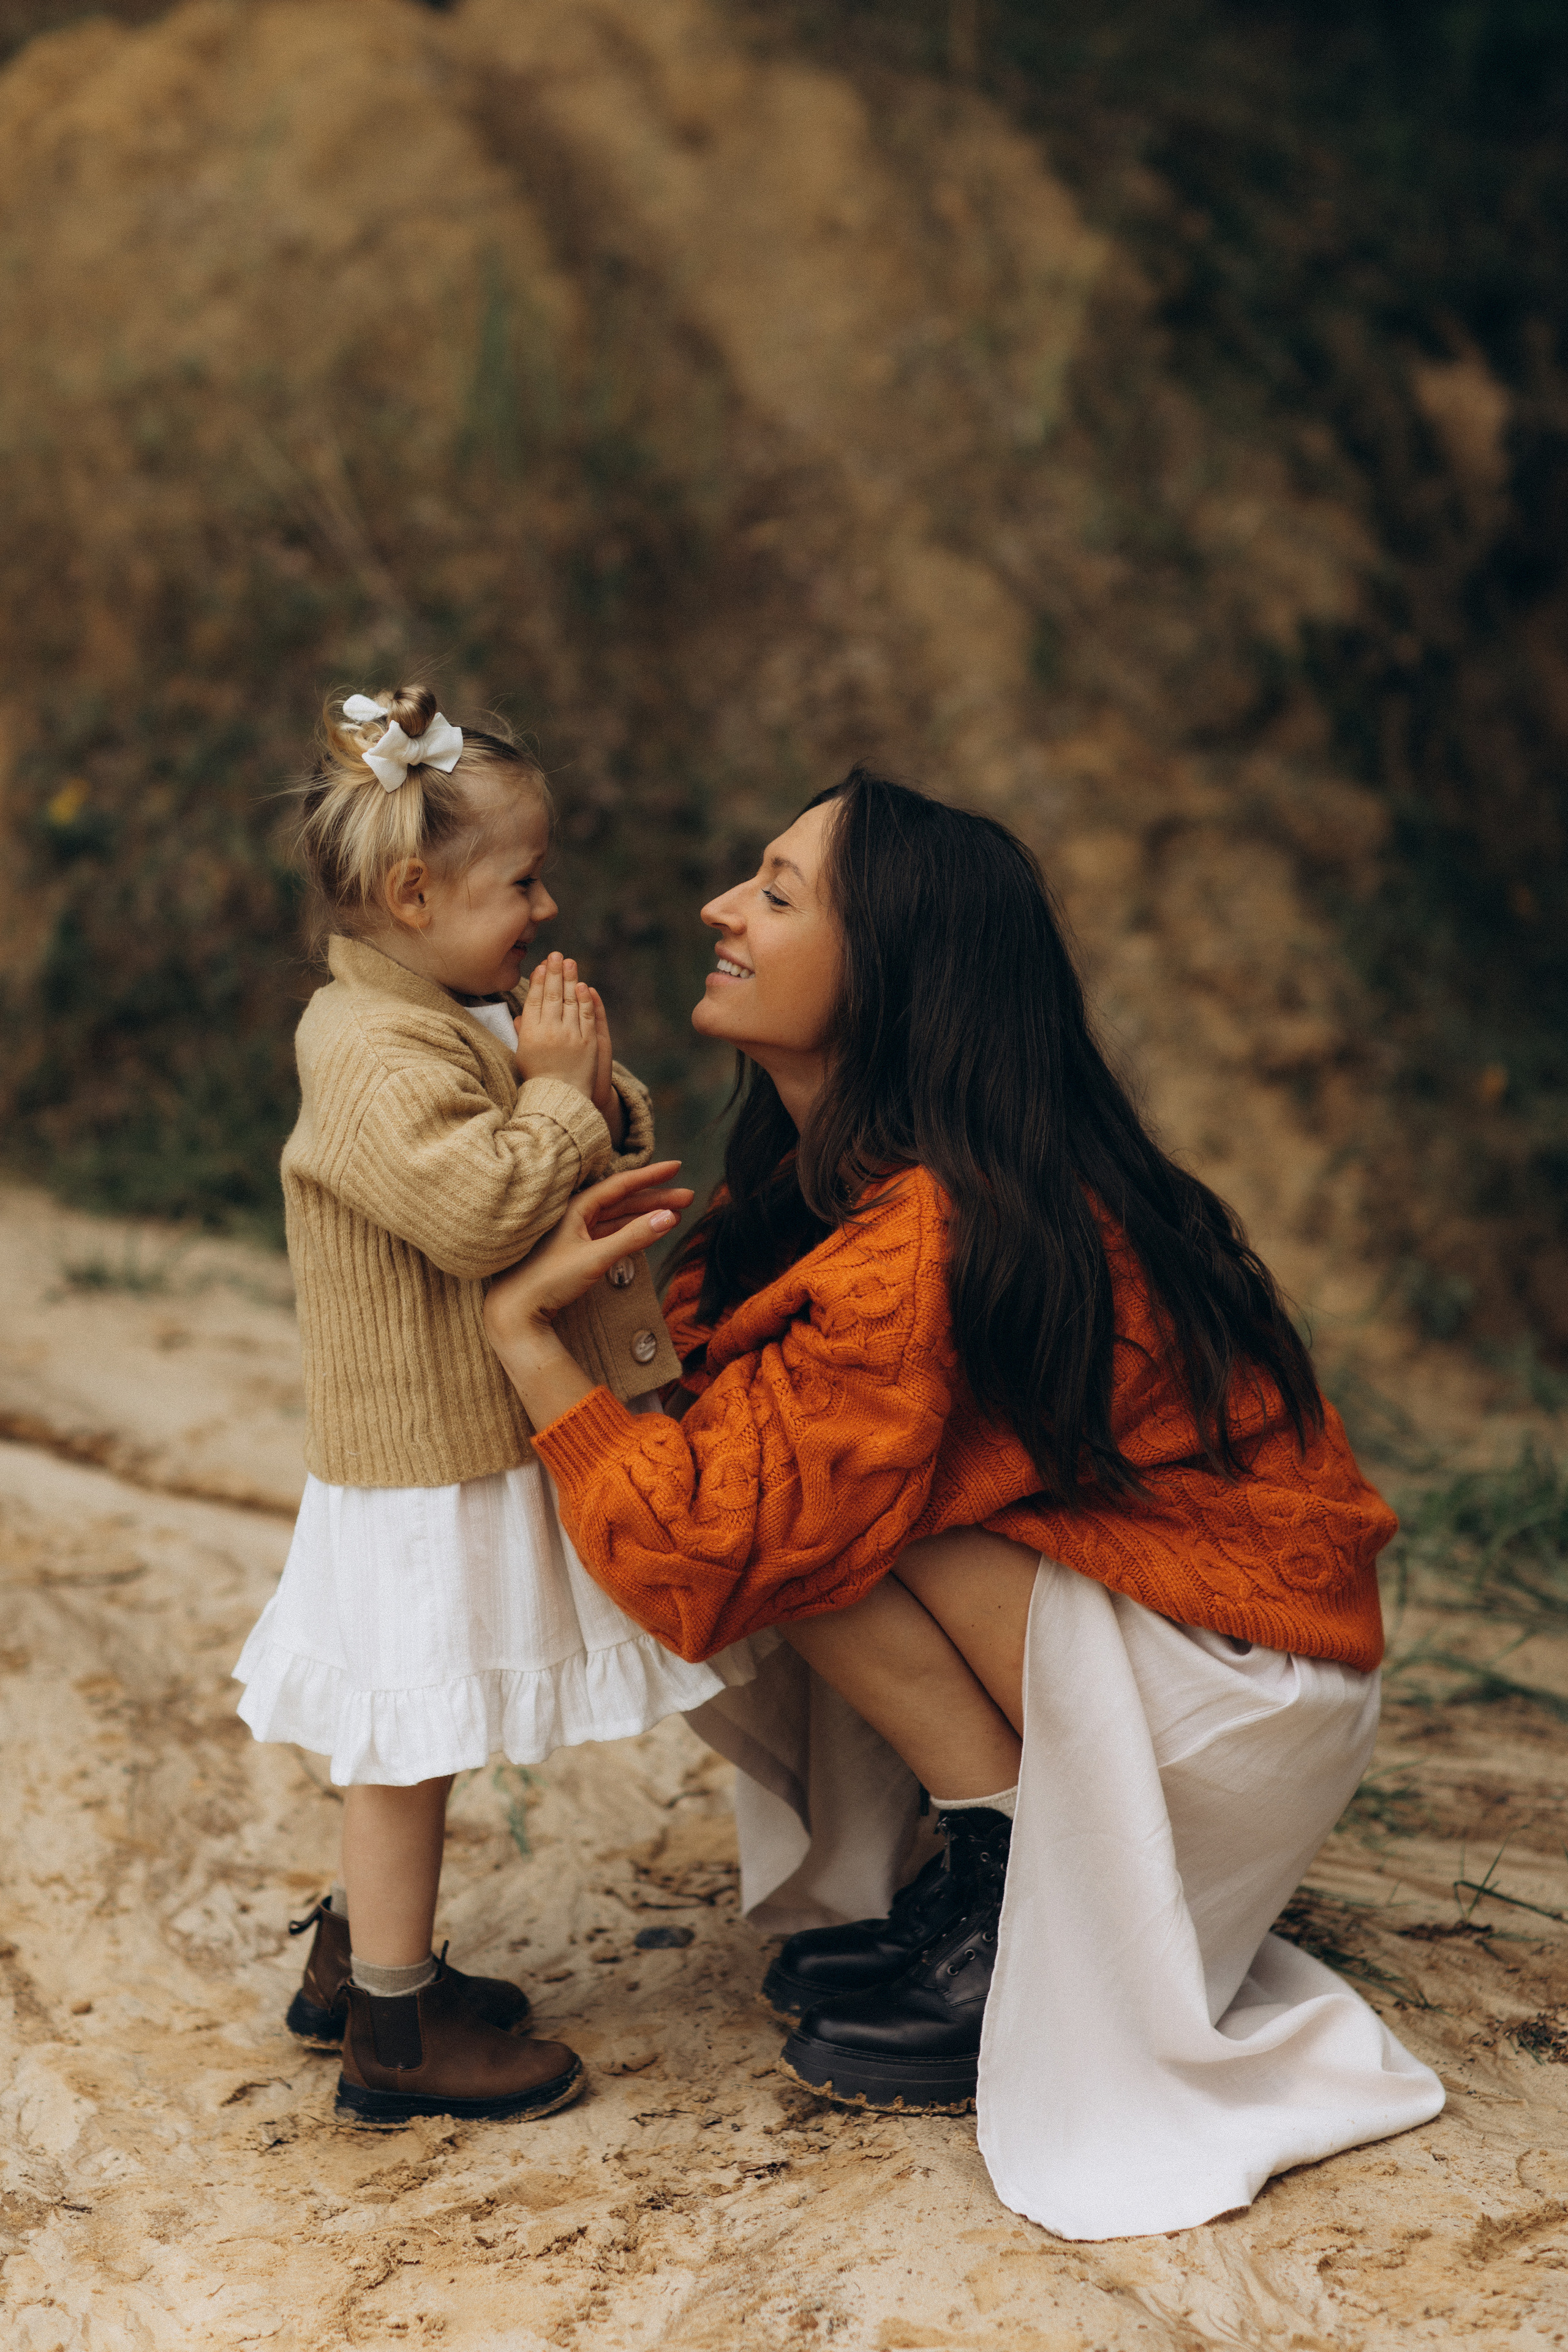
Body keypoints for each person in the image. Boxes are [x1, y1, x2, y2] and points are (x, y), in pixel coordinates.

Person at [480, 764, 1444, 2239]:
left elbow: (696, 1549)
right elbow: (694, 1417)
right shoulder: (829, 1180)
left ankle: (1007, 1909)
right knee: (806, 1485)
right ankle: (990, 1880)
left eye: (778, 895)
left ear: (892, 976)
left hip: (1243, 1683)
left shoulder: (934, 1228)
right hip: (1160, 1628)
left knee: (810, 1518)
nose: (718, 909)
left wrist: (524, 1352)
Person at [233, 685, 756, 2128]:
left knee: (418, 1734)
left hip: (454, 1455)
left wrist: (573, 1085)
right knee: (406, 1739)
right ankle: (393, 2037)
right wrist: (558, 1097)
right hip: (422, 1471)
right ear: (414, 892)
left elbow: (570, 1134)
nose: (544, 901)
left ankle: (358, 1962)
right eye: (519, 879)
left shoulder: (442, 1016)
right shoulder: (360, 1051)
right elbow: (478, 1211)